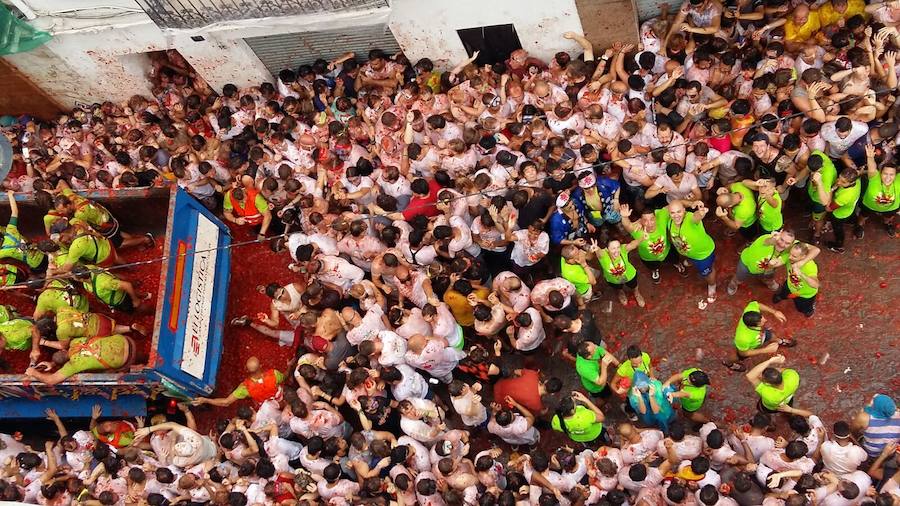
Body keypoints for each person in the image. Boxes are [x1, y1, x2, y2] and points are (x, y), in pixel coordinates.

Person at [667, 201, 718, 304]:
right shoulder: (670, 222)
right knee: (689, 260)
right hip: (688, 253)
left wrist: (701, 212)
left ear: (684, 211)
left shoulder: (690, 219)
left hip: (703, 255)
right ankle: (691, 261)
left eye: (679, 212)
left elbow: (696, 216)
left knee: (708, 272)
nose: (676, 215)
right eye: (672, 213)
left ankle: (712, 285)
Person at [724, 300, 794, 371]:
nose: (765, 320)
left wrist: (774, 312)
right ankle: (729, 363)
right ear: (753, 326)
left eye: (761, 317)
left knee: (770, 335)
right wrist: (765, 350)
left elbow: (757, 305)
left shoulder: (750, 310)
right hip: (750, 346)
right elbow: (744, 353)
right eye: (760, 321)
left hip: (761, 333)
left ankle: (780, 341)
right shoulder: (743, 338)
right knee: (737, 356)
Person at [193, 357, 285, 407]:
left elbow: (226, 402)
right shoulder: (274, 374)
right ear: (261, 366)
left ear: (247, 370)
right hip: (281, 400)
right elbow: (284, 377)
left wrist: (205, 400)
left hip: (267, 406)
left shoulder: (245, 388)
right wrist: (289, 367)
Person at [745, 355, 811, 418]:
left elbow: (750, 376)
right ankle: (788, 414)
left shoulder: (768, 394)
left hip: (772, 408)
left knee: (761, 409)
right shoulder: (793, 375)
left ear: (767, 384)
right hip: (788, 399)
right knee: (788, 408)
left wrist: (770, 361)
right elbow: (784, 370)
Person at [773, 242, 820, 317]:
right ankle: (781, 296)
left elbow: (816, 285)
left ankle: (809, 310)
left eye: (794, 256)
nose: (790, 257)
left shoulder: (810, 266)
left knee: (801, 308)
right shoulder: (789, 257)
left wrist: (801, 274)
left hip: (804, 295)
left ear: (803, 257)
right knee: (784, 293)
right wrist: (772, 263)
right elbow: (778, 261)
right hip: (790, 285)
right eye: (790, 254)